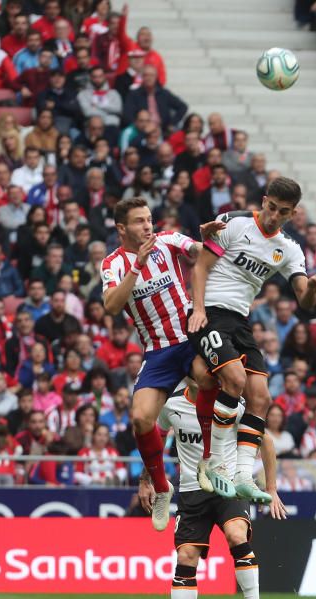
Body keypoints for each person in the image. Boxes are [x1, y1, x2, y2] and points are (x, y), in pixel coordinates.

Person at [187, 177, 316, 502]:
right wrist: (197, 309)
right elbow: (201, 268)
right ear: (264, 201)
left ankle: (242, 475)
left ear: (292, 214)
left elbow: (304, 302)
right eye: (271, 207)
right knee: (235, 380)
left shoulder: (289, 249)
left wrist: (314, 291)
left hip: (239, 321)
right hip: (209, 312)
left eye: (283, 212)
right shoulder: (236, 224)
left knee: (261, 397)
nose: (274, 216)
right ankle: (215, 464)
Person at [138, 379, 285, 599]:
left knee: (236, 535)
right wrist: (147, 479)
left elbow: (264, 439)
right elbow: (155, 440)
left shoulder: (230, 404)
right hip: (192, 491)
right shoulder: (171, 405)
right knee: (186, 557)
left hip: (226, 485)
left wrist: (272, 488)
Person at [101, 196, 218, 530]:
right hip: (158, 352)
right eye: (139, 221)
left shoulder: (168, 240)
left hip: (188, 338)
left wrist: (206, 240)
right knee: (140, 418)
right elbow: (111, 305)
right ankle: (162, 487)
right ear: (121, 228)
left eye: (149, 219)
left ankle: (207, 460)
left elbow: (198, 252)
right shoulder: (114, 263)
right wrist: (137, 265)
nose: (148, 225)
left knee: (210, 378)